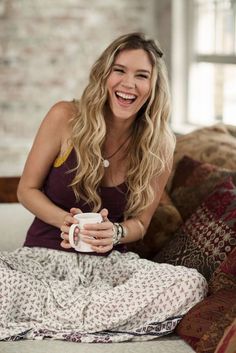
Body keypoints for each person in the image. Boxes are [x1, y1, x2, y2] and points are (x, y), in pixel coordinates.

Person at [0, 32, 207, 343]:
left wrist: (117, 233)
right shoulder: (65, 116)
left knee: (191, 284)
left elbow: (140, 223)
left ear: (153, 87)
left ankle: (55, 318)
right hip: (42, 264)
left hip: (109, 273)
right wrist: (64, 221)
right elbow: (26, 190)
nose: (128, 83)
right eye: (119, 70)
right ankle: (88, 320)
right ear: (104, 75)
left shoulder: (160, 144)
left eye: (141, 75)